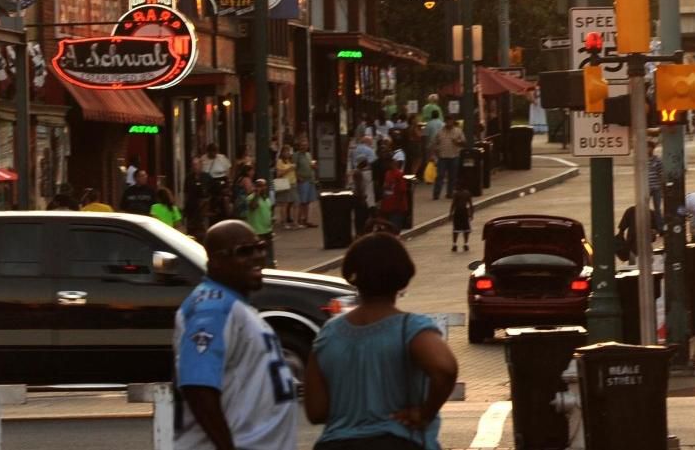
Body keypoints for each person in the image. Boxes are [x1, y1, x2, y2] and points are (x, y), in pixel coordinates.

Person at [304, 232, 459, 450]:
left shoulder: (329, 334)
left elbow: (316, 411)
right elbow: (444, 368)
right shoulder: (410, 328)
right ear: (402, 278)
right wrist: (425, 413)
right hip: (396, 441)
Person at [175, 221, 298, 450]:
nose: (258, 256)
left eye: (260, 247)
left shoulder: (234, 306)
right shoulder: (212, 308)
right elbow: (196, 385)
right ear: (217, 262)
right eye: (244, 251)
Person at [246, 179, 276, 267]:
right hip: (258, 231)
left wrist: (272, 219)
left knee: (269, 253)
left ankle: (270, 267)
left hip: (268, 230)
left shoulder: (267, 199)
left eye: (264, 186)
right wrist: (256, 194)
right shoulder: (251, 198)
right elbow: (252, 206)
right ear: (255, 187)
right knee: (260, 254)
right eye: (260, 186)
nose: (263, 188)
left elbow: (270, 211)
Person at [431, 122, 464, 201]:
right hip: (442, 157)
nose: (449, 123)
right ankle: (436, 193)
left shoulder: (458, 131)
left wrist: (457, 142)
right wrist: (435, 154)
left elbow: (464, 143)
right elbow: (434, 144)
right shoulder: (440, 132)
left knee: (452, 176)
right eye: (447, 121)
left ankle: (450, 193)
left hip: (454, 156)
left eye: (450, 121)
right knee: (440, 175)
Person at [294, 136, 318, 229]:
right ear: (299, 146)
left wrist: (314, 167)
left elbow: (311, 165)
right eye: (302, 145)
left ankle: (306, 220)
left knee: (308, 201)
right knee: (302, 201)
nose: (304, 147)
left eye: (305, 145)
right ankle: (300, 219)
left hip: (310, 179)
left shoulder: (308, 155)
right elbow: (294, 168)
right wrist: (298, 177)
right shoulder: (296, 155)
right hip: (302, 180)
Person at [449, 187, 474, 253]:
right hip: (464, 212)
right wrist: (471, 214)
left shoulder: (456, 193)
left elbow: (453, 204)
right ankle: (466, 244)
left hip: (457, 212)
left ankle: (454, 244)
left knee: (456, 229)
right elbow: (471, 205)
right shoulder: (467, 193)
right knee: (466, 229)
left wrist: (450, 213)